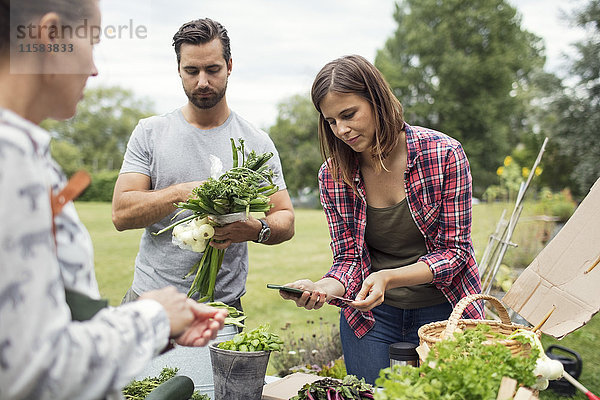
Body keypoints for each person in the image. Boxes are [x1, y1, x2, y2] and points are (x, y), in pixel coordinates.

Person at [0, 1, 227, 399]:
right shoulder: (11, 161)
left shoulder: (28, 153)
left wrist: (152, 325)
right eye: (92, 41)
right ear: (51, 37)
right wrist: (153, 317)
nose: (94, 68)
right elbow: (32, 369)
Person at [279, 55, 483, 385]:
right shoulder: (333, 175)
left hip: (444, 309)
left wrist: (388, 278)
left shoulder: (443, 154)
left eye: (349, 114)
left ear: (377, 101)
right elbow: (348, 259)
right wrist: (321, 288)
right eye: (331, 121)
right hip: (372, 317)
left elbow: (455, 253)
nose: (341, 130)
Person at [112, 18, 295, 310]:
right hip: (150, 302)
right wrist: (180, 193)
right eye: (191, 71)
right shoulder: (150, 133)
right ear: (178, 70)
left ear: (229, 66)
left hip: (221, 307)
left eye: (212, 70)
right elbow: (121, 214)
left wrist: (255, 229)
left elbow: (285, 218)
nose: (202, 82)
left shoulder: (256, 142)